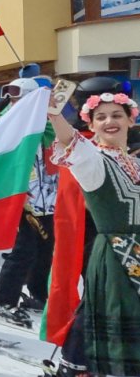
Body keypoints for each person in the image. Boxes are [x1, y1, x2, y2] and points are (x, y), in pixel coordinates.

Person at [48, 90, 139, 377]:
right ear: (92, 124)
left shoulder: (135, 164)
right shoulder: (94, 161)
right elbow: (69, 141)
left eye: (116, 115)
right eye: (101, 117)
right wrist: (53, 114)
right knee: (115, 316)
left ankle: (74, 365)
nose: (109, 122)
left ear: (130, 120)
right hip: (115, 255)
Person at [0, 78, 58, 327]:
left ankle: (37, 294)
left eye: (19, 99)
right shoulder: (8, 124)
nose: (14, 104)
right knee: (23, 250)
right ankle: (3, 299)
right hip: (22, 199)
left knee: (45, 250)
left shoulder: (48, 123)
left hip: (49, 198)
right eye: (12, 100)